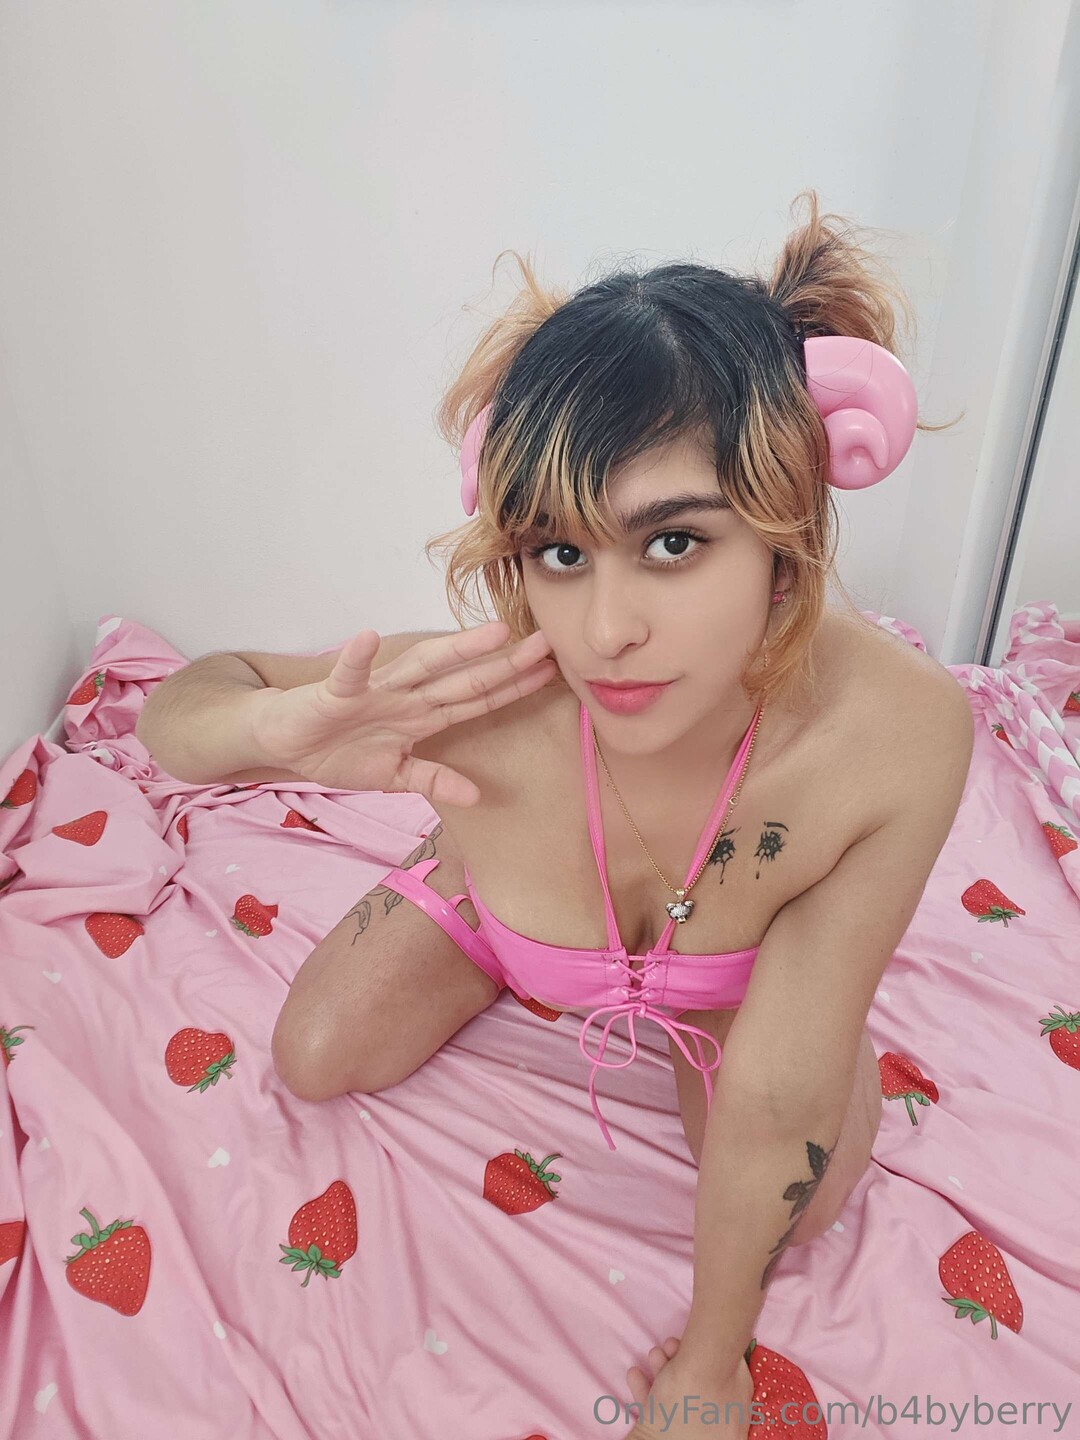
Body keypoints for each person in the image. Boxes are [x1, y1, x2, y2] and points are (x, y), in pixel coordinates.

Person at [137, 190, 973, 1435]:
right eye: (561, 555)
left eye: (673, 544)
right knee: (314, 1055)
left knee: (794, 1199)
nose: (604, 632)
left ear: (785, 533)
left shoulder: (895, 733)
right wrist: (271, 733)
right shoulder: (491, 697)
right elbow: (181, 707)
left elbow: (779, 1094)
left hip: (754, 969)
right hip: (516, 873)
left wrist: (711, 1364)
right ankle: (490, 888)